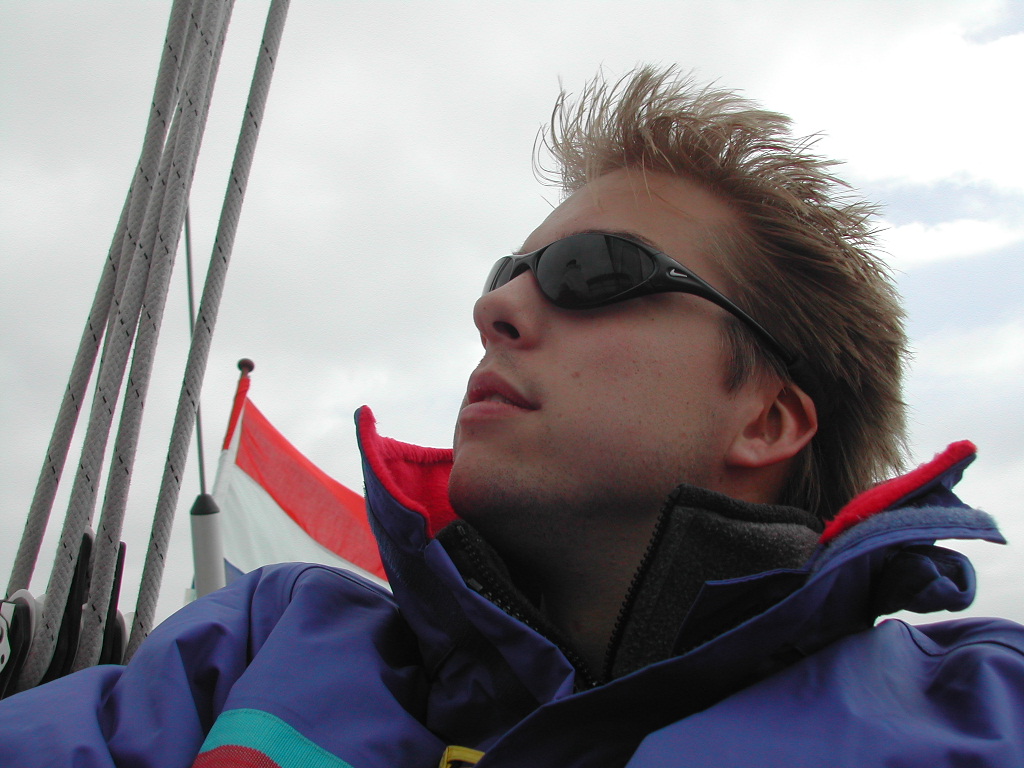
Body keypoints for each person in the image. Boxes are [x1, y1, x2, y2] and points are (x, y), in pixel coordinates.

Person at [2, 65, 1022, 767]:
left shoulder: (985, 714)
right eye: (510, 273)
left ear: (764, 419)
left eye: (591, 273)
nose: (495, 310)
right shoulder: (254, 654)